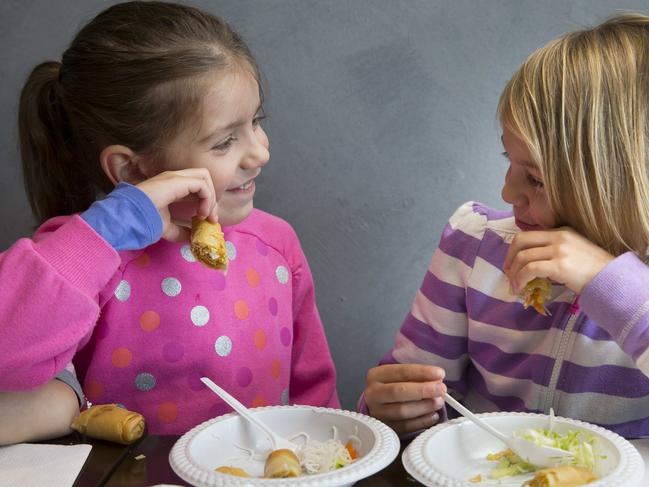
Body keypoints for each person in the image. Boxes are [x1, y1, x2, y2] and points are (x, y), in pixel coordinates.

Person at [0, 0, 339, 436]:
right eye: (224, 142)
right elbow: (8, 359)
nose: (260, 152)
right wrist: (109, 229)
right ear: (133, 168)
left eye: (256, 122)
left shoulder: (276, 244)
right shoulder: (80, 255)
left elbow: (317, 398)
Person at [362, 13, 649, 439]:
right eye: (508, 162)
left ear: (622, 183)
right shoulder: (473, 245)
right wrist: (391, 414)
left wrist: (607, 283)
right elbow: (414, 395)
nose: (507, 191)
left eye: (535, 178)